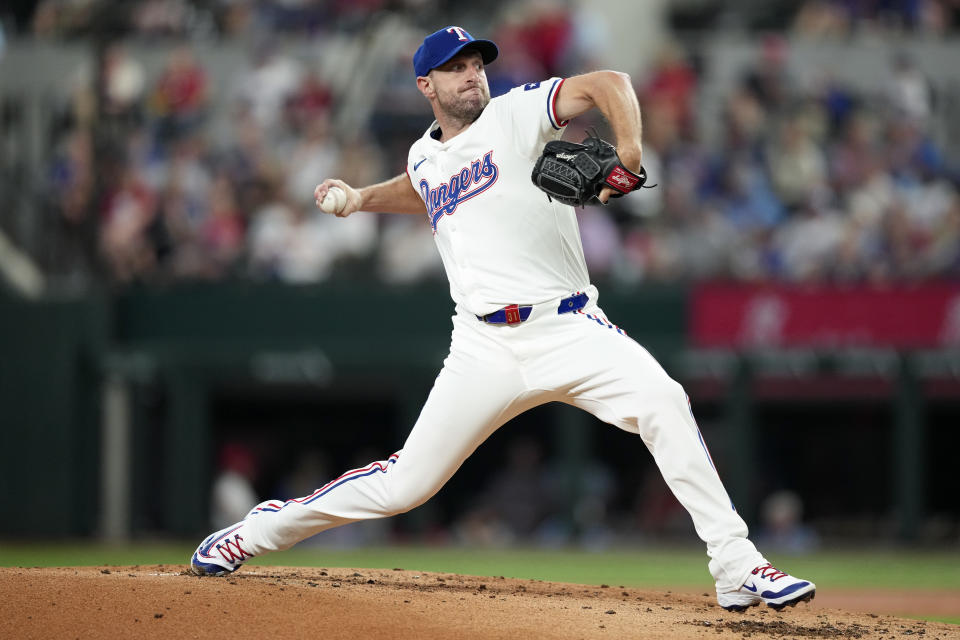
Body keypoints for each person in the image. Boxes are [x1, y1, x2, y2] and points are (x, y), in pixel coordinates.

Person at [189, 25, 816, 612]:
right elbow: (423, 185)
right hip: (482, 347)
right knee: (406, 486)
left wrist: (628, 152)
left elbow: (609, 84)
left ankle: (736, 565)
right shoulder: (426, 154)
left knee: (664, 401)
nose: (470, 75)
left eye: (474, 64)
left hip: (568, 326)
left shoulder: (516, 115)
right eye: (453, 69)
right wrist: (361, 199)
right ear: (425, 87)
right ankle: (257, 531)